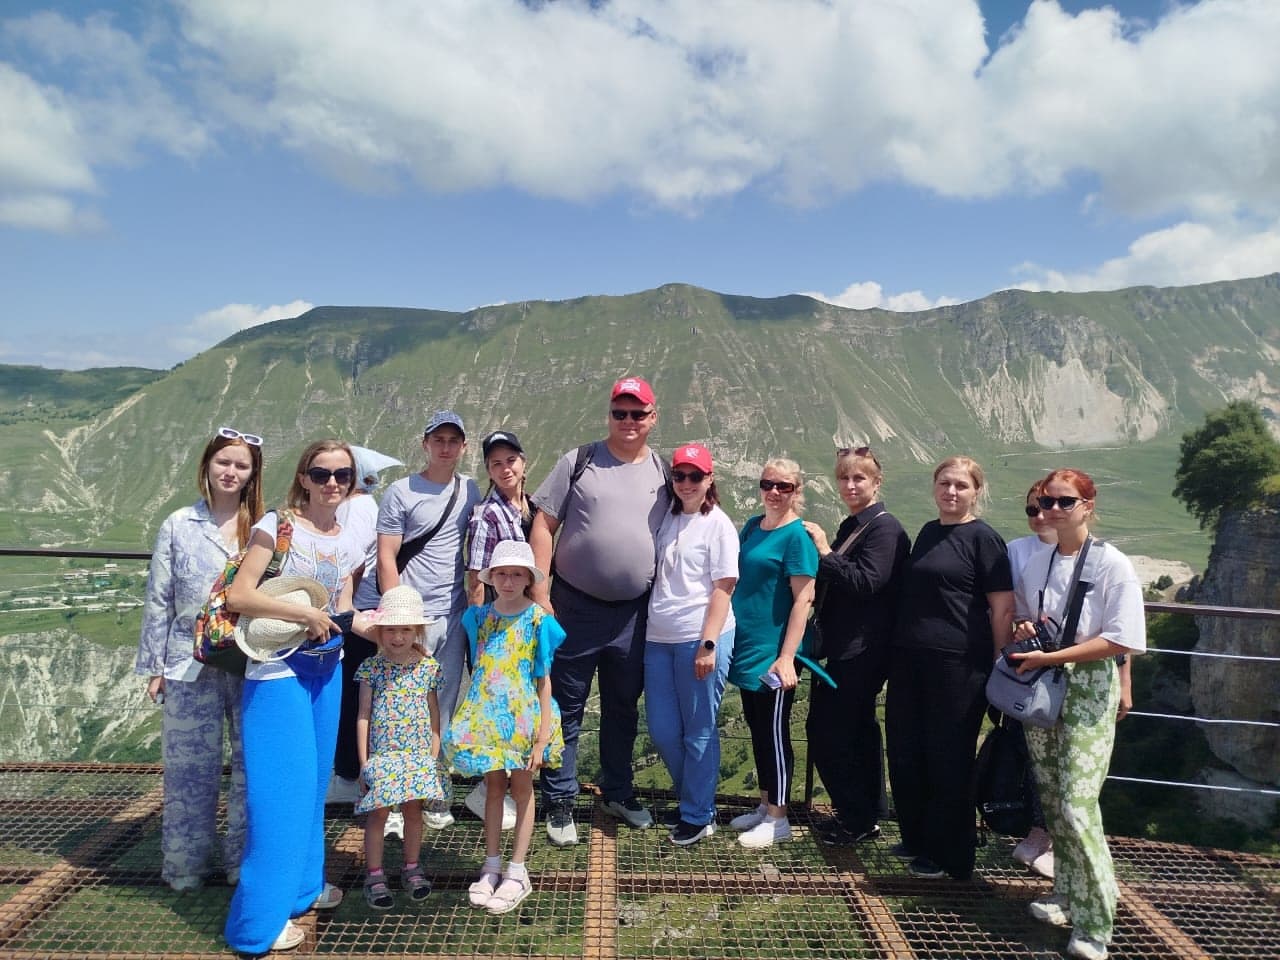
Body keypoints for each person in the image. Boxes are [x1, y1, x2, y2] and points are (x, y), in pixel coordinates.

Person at [223, 439, 361, 956]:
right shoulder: (277, 525)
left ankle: (303, 890)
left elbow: (343, 605)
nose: (332, 483)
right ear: (303, 477)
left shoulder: (346, 538)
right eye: (321, 472)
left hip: (325, 670)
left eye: (342, 475)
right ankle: (256, 925)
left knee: (311, 784)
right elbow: (241, 594)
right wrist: (304, 616)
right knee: (280, 796)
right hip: (278, 670)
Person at [1010, 469, 1146, 960]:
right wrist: (1031, 630)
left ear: (1088, 505)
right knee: (1052, 798)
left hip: (1086, 684)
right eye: (1045, 501)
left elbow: (1121, 637)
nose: (1050, 510)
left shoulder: (1112, 563)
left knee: (1077, 804)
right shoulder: (1041, 560)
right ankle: (1067, 895)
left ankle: (1096, 924)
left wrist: (1054, 657)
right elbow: (1029, 612)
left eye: (1064, 502)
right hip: (1047, 683)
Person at [529, 376, 670, 845]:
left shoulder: (666, 471)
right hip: (574, 605)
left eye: (637, 413)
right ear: (609, 415)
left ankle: (617, 791)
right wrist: (542, 592)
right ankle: (559, 801)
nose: (628, 421)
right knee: (565, 706)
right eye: (619, 413)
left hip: (635, 613)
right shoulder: (579, 460)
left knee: (623, 707)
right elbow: (543, 525)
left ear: (653, 417)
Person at [135, 426, 264, 891]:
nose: (230, 472)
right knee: (188, 769)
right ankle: (186, 866)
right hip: (186, 661)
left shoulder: (264, 528)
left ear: (252, 475)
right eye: (223, 462)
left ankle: (241, 863)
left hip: (250, 660)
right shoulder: (177, 524)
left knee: (252, 768)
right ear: (207, 465)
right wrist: (153, 666)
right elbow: (159, 598)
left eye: (240, 465)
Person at [885, 455, 1014, 880]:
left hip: (959, 664)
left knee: (949, 759)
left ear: (977, 490)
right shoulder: (927, 532)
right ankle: (917, 837)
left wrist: (999, 661)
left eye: (961, 485)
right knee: (906, 751)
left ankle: (951, 855)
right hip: (910, 660)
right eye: (945, 483)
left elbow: (1002, 607)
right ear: (934, 486)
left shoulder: (984, 539)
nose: (951, 492)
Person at [354, 410, 482, 830]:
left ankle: (431, 791)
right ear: (425, 443)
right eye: (438, 439)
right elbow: (387, 556)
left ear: (463, 447)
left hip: (452, 610)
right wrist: (396, 620)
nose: (446, 447)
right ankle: (389, 797)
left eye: (453, 440)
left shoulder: (470, 489)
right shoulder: (400, 492)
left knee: (438, 706)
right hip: (409, 618)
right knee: (393, 706)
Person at [447, 540, 565, 914]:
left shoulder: (538, 621)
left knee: (523, 787)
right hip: (488, 719)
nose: (509, 581)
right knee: (494, 787)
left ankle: (517, 869)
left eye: (517, 574)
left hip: (523, 719)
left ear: (529, 578)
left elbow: (544, 681)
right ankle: (492, 864)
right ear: (492, 577)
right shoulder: (478, 618)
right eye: (502, 573)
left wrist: (542, 736)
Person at [802, 446, 909, 847]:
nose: (850, 485)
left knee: (831, 731)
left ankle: (855, 817)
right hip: (850, 648)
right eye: (844, 478)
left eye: (859, 478)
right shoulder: (859, 524)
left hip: (862, 651)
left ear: (876, 482)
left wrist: (826, 551)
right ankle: (862, 815)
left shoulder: (884, 529)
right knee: (854, 731)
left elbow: (867, 581)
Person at [645, 443, 738, 846]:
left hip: (698, 637)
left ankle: (697, 814)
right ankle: (696, 801)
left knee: (698, 730)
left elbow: (724, 588)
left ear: (709, 480)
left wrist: (709, 643)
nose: (686, 483)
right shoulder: (666, 517)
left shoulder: (718, 525)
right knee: (664, 731)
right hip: (657, 638)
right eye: (679, 476)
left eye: (694, 476)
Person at [727, 458, 818, 849]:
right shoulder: (752, 527)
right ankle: (766, 805)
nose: (775, 492)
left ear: (797, 491)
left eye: (785, 486)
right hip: (748, 647)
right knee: (758, 729)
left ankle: (779, 818)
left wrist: (786, 656)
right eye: (769, 484)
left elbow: (804, 599)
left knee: (776, 734)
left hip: (775, 652)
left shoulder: (797, 537)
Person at [353, 585, 447, 911]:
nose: (397, 637)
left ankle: (411, 867)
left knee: (413, 811)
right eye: (390, 629)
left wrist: (433, 756)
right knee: (378, 813)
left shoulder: (428, 667)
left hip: (417, 755)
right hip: (383, 755)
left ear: (417, 631)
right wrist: (364, 762)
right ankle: (375, 874)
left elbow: (435, 713)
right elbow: (363, 714)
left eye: (405, 629)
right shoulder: (371, 667)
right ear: (380, 631)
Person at [461, 429, 535, 829]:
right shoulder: (487, 514)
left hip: (520, 619)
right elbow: (476, 578)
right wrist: (480, 637)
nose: (504, 468)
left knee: (516, 704)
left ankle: (503, 789)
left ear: (523, 463)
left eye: (510, 460)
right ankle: (486, 790)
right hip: (497, 624)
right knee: (496, 706)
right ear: (488, 470)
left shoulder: (527, 507)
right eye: (496, 463)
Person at [330, 445, 404, 807]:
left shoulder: (353, 509)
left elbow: (353, 564)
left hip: (358, 616)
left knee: (353, 699)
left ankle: (349, 774)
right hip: (368, 612)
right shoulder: (369, 506)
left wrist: (343, 610)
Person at [1005, 481, 1058, 879]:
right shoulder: (1016, 550)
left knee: (1062, 756)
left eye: (1049, 506)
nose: (1040, 516)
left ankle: (1048, 838)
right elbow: (1005, 605)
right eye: (1032, 509)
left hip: (1070, 667)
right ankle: (1036, 832)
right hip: (1026, 665)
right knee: (1028, 751)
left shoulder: (1088, 555)